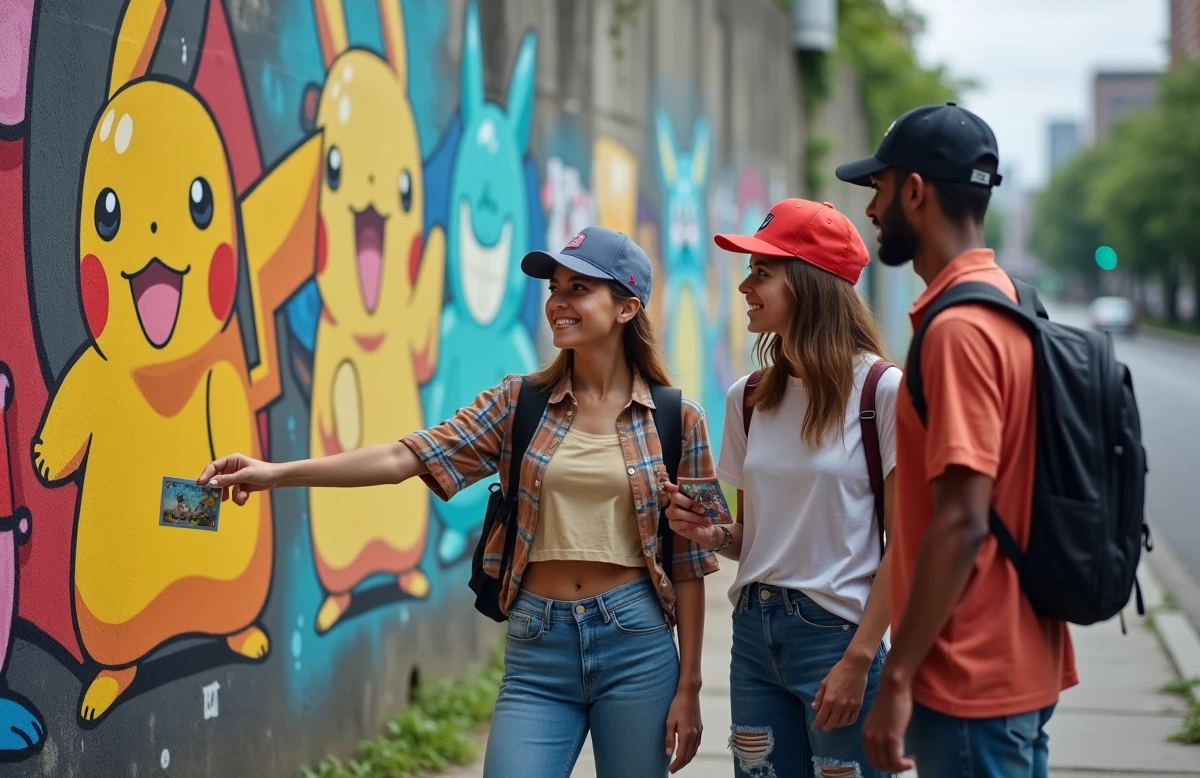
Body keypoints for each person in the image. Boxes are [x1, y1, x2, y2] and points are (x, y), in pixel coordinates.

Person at [197, 227, 718, 778]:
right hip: (539, 647)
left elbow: (688, 565)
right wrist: (275, 474)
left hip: (636, 645)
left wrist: (689, 688)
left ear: (625, 308)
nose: (558, 303)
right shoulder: (519, 402)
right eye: (553, 289)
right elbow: (406, 458)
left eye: (578, 289)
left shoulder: (677, 421)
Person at [835, 103, 1078, 776]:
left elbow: (962, 519)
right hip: (1020, 655)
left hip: (969, 673)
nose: (871, 210)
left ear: (915, 191)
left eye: (878, 190)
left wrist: (901, 676)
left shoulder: (958, 330)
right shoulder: (1010, 299)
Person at [664, 198, 900, 778]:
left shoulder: (882, 392)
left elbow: (909, 544)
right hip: (753, 635)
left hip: (838, 636)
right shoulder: (747, 397)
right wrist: (711, 531)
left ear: (811, 284)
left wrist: (861, 658)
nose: (745, 285)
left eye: (762, 272)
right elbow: (754, 537)